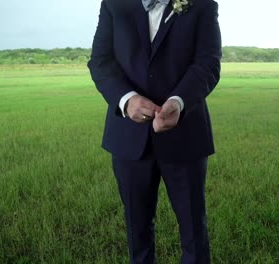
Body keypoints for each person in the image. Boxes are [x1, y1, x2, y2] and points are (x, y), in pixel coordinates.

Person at [87, 0, 221, 263]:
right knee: (137, 233)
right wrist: (127, 100)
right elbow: (100, 62)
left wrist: (179, 102)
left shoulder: (202, 4)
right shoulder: (113, 4)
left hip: (186, 135)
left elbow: (208, 64)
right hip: (128, 137)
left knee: (194, 231)